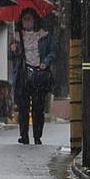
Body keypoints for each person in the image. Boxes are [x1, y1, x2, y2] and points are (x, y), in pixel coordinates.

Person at [13, 9, 56, 145]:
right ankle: (24, 135)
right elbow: (12, 57)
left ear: (35, 20)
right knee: (23, 108)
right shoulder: (18, 36)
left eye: (29, 19)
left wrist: (45, 62)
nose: (27, 22)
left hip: (39, 74)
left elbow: (53, 52)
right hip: (23, 75)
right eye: (24, 19)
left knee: (38, 108)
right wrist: (14, 49)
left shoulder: (44, 36)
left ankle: (37, 135)